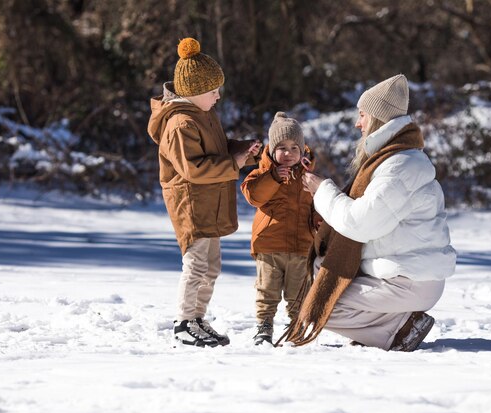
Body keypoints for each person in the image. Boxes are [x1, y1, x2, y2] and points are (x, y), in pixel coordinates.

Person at [280, 74, 456, 351]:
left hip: (410, 281)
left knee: (320, 305)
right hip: (404, 274)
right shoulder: (395, 159)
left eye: (362, 115)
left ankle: (400, 329)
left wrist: (322, 190)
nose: (357, 123)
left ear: (377, 118)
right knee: (320, 276)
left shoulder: (399, 166)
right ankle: (392, 324)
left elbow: (359, 223)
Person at [147, 37, 261, 348]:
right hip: (191, 204)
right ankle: (184, 322)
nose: (219, 96)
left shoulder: (203, 115)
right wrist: (234, 162)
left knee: (211, 265)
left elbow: (218, 150)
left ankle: (197, 317)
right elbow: (193, 169)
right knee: (197, 264)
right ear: (195, 92)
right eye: (213, 92)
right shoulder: (181, 124)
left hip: (209, 201)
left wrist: (244, 151)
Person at [240, 112, 318, 345]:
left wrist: (319, 222)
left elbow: (318, 204)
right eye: (282, 147)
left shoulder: (308, 177)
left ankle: (297, 326)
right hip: (269, 245)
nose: (288, 153)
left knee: (298, 293)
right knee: (267, 291)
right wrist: (273, 177)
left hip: (301, 246)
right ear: (272, 150)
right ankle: (264, 326)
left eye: (295, 147)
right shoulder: (262, 174)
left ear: (303, 150)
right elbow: (254, 196)